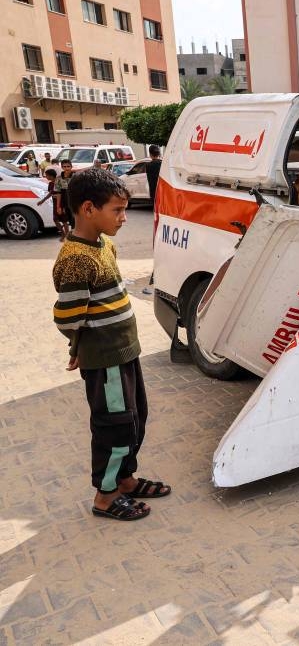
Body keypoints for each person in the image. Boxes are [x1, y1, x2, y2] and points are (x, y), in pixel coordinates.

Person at [51, 168, 171, 522]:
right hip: (105, 361)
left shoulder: (105, 245)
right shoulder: (75, 259)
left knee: (135, 419)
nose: (123, 218)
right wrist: (79, 350)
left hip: (125, 353)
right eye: (116, 210)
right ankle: (105, 496)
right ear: (88, 209)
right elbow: (69, 317)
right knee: (114, 425)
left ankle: (126, 480)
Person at [37, 168, 70, 241]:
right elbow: (51, 193)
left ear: (51, 176)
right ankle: (63, 233)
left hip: (62, 203)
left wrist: (61, 205)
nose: (46, 177)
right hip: (55, 203)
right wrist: (42, 200)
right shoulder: (51, 184)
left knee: (64, 220)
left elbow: (63, 194)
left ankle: (67, 235)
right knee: (56, 219)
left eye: (47, 175)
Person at [54, 159, 75, 229]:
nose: (66, 168)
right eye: (64, 166)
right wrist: (58, 206)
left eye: (68, 166)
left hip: (75, 202)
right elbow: (58, 193)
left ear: (71, 167)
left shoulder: (76, 177)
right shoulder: (58, 179)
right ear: (62, 167)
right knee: (66, 219)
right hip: (65, 202)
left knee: (75, 220)